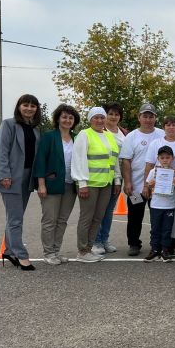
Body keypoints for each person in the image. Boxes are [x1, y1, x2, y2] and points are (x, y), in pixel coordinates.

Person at [0, 94, 42, 271]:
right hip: (10, 178)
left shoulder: (34, 129)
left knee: (14, 217)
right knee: (16, 218)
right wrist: (4, 175)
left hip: (27, 178)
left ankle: (10, 250)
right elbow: (1, 151)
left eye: (33, 106)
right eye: (25, 105)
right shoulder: (9, 124)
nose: (29, 108)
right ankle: (21, 255)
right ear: (19, 106)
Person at [71, 107, 122, 263]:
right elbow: (78, 159)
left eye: (102, 117)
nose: (100, 120)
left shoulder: (109, 136)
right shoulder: (84, 134)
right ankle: (82, 250)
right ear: (90, 119)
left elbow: (114, 160)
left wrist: (117, 179)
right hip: (90, 184)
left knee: (98, 217)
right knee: (87, 217)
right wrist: (82, 183)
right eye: (96, 118)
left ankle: (90, 247)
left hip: (106, 183)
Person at [33, 104, 80, 265]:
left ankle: (56, 251)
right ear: (58, 118)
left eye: (71, 117)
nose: (67, 120)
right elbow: (40, 160)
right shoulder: (49, 136)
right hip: (52, 184)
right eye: (64, 117)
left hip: (70, 185)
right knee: (49, 220)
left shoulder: (77, 137)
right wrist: (41, 184)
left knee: (62, 220)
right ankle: (48, 253)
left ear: (74, 121)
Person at [119, 103, 165, 256]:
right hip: (137, 187)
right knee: (135, 216)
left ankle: (157, 244)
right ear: (139, 118)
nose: (148, 119)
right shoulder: (132, 136)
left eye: (151, 116)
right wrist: (128, 182)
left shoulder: (161, 134)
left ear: (155, 118)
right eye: (145, 116)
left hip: (157, 187)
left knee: (157, 216)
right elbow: (126, 161)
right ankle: (134, 244)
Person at [144, 116, 175, 255]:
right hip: (156, 203)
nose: (171, 127)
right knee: (155, 227)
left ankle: (166, 249)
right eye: (168, 125)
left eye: (174, 125)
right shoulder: (154, 171)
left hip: (170, 203)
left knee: (168, 228)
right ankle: (154, 248)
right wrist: (149, 186)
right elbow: (148, 183)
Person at [94, 101, 128, 254]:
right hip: (103, 175)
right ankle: (96, 242)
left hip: (119, 176)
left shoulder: (124, 133)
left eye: (117, 114)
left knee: (108, 210)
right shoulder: (100, 131)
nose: (114, 117)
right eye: (111, 113)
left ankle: (105, 240)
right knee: (98, 210)